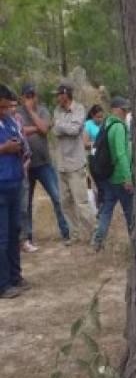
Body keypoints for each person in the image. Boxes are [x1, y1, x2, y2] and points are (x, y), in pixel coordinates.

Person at [17, 84, 71, 253]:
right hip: (26, 166)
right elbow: (20, 131)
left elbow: (44, 129)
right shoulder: (17, 112)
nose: (31, 97)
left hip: (44, 163)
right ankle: (28, 238)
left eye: (33, 94)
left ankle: (66, 232)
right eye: (27, 95)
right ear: (22, 96)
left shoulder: (42, 110)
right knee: (26, 204)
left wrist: (31, 114)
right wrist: (35, 128)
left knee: (57, 197)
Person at [52, 84, 94, 241]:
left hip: (76, 163)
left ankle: (94, 234)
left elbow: (75, 130)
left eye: (58, 94)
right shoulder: (57, 110)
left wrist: (60, 125)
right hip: (62, 163)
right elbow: (55, 131)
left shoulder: (79, 109)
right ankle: (74, 234)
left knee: (81, 202)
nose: (56, 97)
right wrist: (63, 127)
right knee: (65, 203)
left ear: (65, 95)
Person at [0, 84, 31, 298]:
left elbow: (21, 140)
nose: (8, 108)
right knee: (1, 236)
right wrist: (3, 149)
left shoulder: (10, 121)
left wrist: (19, 146)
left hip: (15, 183)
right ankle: (3, 284)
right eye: (4, 104)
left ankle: (15, 276)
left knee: (13, 234)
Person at [91, 97, 133, 250]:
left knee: (106, 211)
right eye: (124, 109)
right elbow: (121, 154)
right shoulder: (119, 127)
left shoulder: (106, 123)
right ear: (116, 109)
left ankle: (97, 241)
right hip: (120, 179)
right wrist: (128, 177)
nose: (125, 112)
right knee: (130, 213)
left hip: (108, 177)